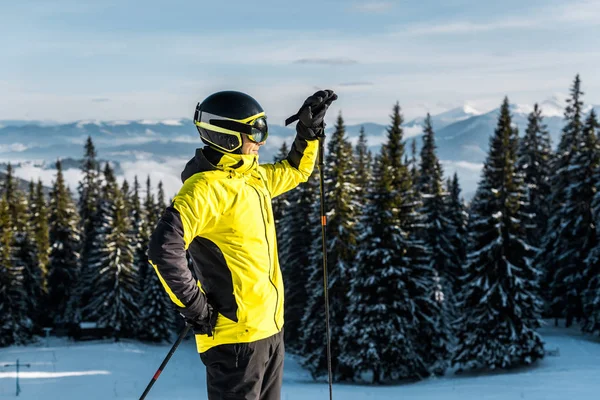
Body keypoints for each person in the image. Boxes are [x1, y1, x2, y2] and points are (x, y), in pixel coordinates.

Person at [147, 89, 337, 400]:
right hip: (235, 341)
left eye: (264, 129)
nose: (261, 141)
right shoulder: (205, 189)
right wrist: (196, 307)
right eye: (255, 131)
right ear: (227, 136)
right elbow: (163, 249)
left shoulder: (254, 178)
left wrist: (308, 132)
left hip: (270, 331)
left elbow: (296, 170)